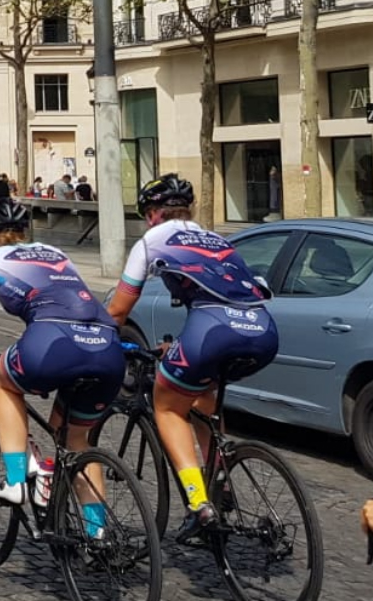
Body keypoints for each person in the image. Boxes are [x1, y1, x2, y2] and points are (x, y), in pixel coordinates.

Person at [0, 199, 124, 529]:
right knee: (76, 441)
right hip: (106, 345)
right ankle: (97, 532)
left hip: (53, 341)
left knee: (4, 379)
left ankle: (16, 480)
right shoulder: (54, 253)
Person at [107, 174, 276, 543]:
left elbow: (120, 308)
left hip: (211, 330)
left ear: (152, 213)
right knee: (202, 397)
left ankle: (200, 504)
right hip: (262, 329)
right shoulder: (216, 238)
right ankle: (220, 480)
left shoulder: (153, 240)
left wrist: (99, 339)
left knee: (167, 406)